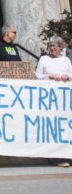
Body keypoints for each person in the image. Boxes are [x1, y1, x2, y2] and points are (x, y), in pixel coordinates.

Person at [35, 36, 72, 168]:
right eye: (50, 46)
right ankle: (55, 156)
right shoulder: (44, 59)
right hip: (48, 99)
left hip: (64, 99)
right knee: (52, 126)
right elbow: (37, 76)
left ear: (60, 47)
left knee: (65, 126)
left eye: (55, 46)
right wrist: (49, 76)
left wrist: (67, 76)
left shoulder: (66, 60)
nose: (52, 48)